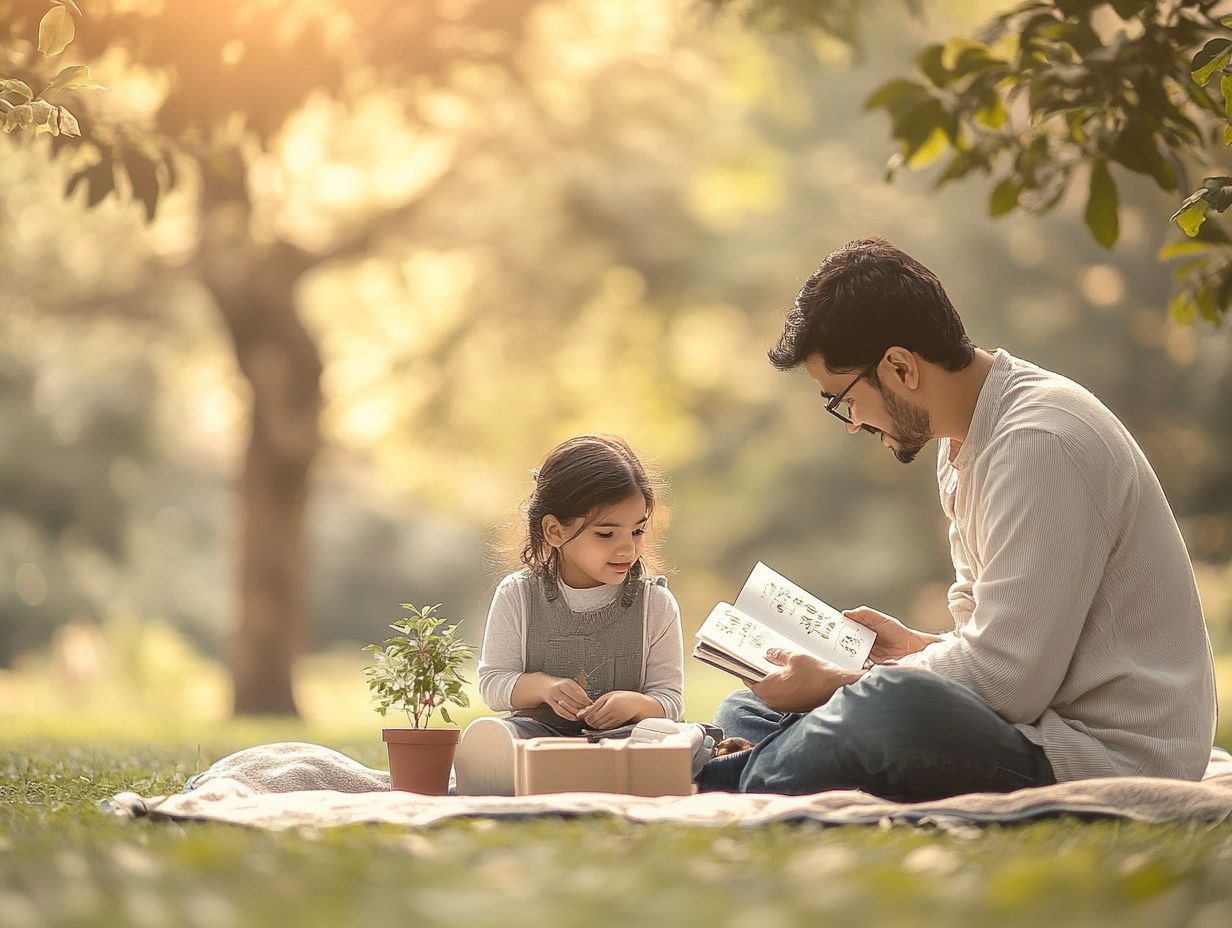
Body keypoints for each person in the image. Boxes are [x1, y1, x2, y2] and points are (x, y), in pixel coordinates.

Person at [697, 237, 1217, 800]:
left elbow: (1006, 682)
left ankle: (726, 776)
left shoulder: (1038, 444)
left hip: (1105, 754)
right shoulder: (964, 443)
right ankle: (745, 758)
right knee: (753, 702)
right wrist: (913, 650)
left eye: (841, 399)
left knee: (886, 709)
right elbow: (1001, 640)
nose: (849, 423)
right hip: (1033, 720)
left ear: (899, 367)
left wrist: (845, 685)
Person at [453, 434, 689, 795]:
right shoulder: (518, 594)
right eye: (606, 533)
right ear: (554, 530)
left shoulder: (654, 604)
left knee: (677, 737)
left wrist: (635, 704)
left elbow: (670, 701)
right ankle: (552, 775)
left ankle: (559, 780)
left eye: (637, 530)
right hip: (538, 738)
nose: (628, 547)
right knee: (493, 735)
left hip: (623, 739)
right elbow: (494, 685)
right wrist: (545, 688)